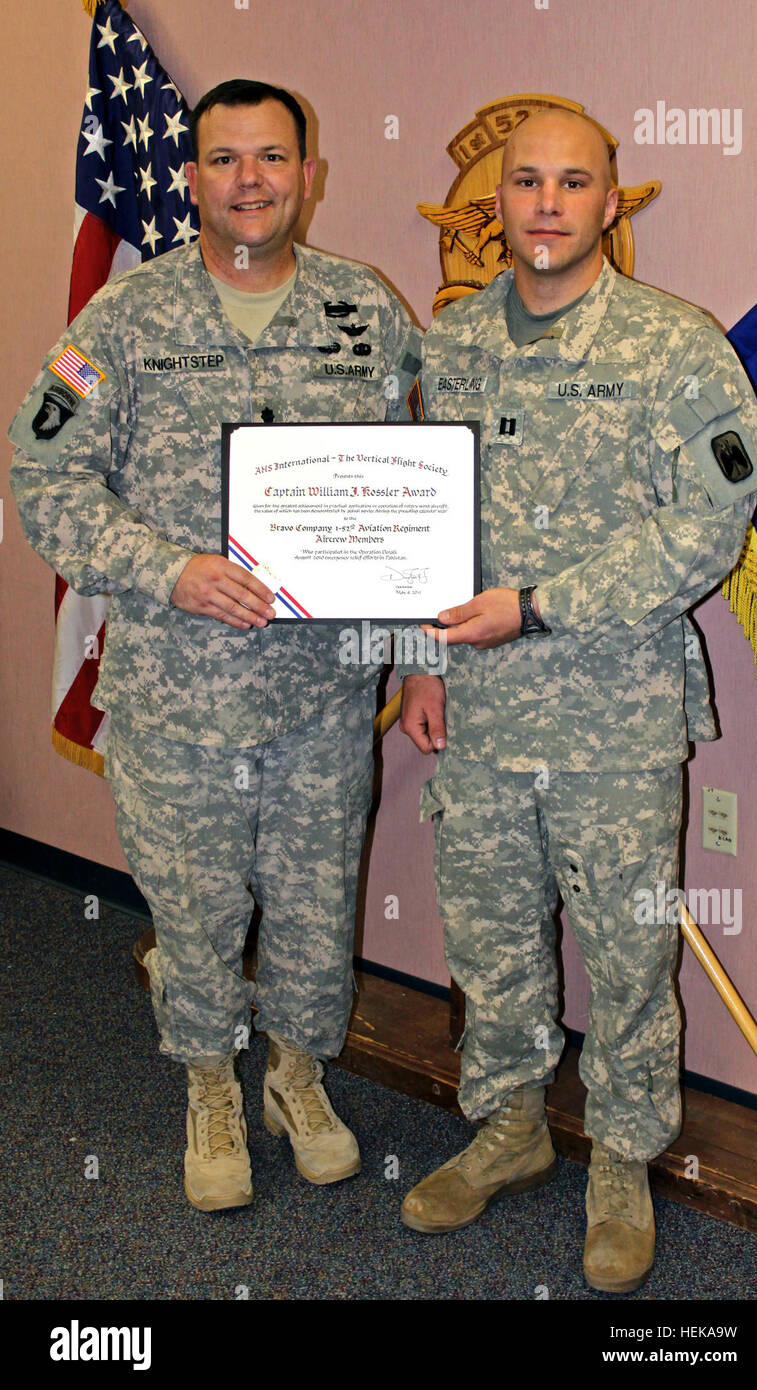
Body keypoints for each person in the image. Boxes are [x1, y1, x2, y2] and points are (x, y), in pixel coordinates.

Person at [9, 79, 420, 1213]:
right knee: (192, 912)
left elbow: (413, 487)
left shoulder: (365, 310)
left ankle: (295, 1073)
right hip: (178, 692)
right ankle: (208, 1085)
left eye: (273, 157)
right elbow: (42, 474)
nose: (251, 179)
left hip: (323, 694)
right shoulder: (123, 321)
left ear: (309, 171)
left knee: (314, 900)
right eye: (226, 159)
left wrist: (416, 640)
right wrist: (168, 569)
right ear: (191, 179)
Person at [397, 107, 757, 1292]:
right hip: (485, 715)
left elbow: (707, 525)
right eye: (524, 182)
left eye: (574, 182)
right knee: (491, 946)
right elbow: (422, 523)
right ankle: (506, 1128)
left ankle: (620, 1156)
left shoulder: (676, 348)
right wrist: (420, 656)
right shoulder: (450, 348)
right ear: (492, 205)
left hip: (614, 718)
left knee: (626, 951)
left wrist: (539, 603)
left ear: (613, 204)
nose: (546, 202)